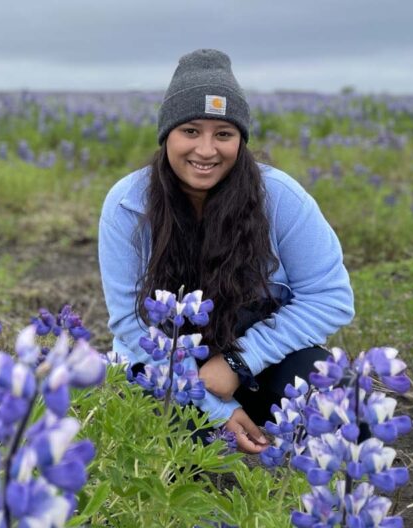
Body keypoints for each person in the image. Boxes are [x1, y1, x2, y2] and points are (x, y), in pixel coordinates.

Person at [98, 49, 355, 454]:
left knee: (344, 407)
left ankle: (319, 496)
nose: (205, 150)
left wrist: (239, 362)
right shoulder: (128, 204)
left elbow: (331, 297)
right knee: (168, 455)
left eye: (223, 133)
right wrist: (214, 407)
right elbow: (132, 323)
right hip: (163, 366)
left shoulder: (279, 197)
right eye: (190, 131)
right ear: (167, 135)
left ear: (241, 139)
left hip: (258, 362)